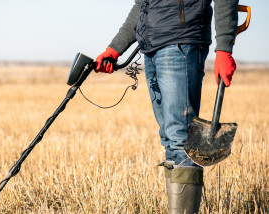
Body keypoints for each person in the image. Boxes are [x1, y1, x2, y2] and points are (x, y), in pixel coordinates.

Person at [94, 0, 238, 213]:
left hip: (181, 43)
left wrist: (224, 47)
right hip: (152, 48)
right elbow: (142, 6)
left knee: (181, 141)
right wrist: (114, 49)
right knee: (170, 140)